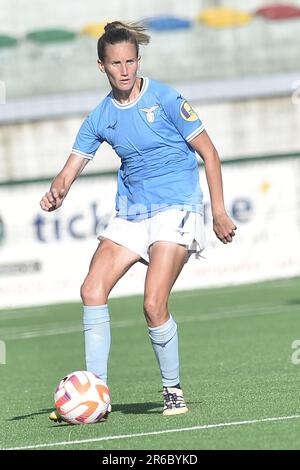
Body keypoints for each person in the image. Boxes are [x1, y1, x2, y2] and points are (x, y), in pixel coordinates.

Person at [40, 21, 237, 419]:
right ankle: (96, 392)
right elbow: (70, 167)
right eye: (116, 63)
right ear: (102, 67)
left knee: (152, 303)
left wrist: (217, 211)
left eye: (131, 61)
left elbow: (209, 152)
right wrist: (57, 190)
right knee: (91, 289)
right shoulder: (100, 117)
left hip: (176, 207)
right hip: (132, 213)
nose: (125, 70)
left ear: (138, 60)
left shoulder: (165, 98)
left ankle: (172, 390)